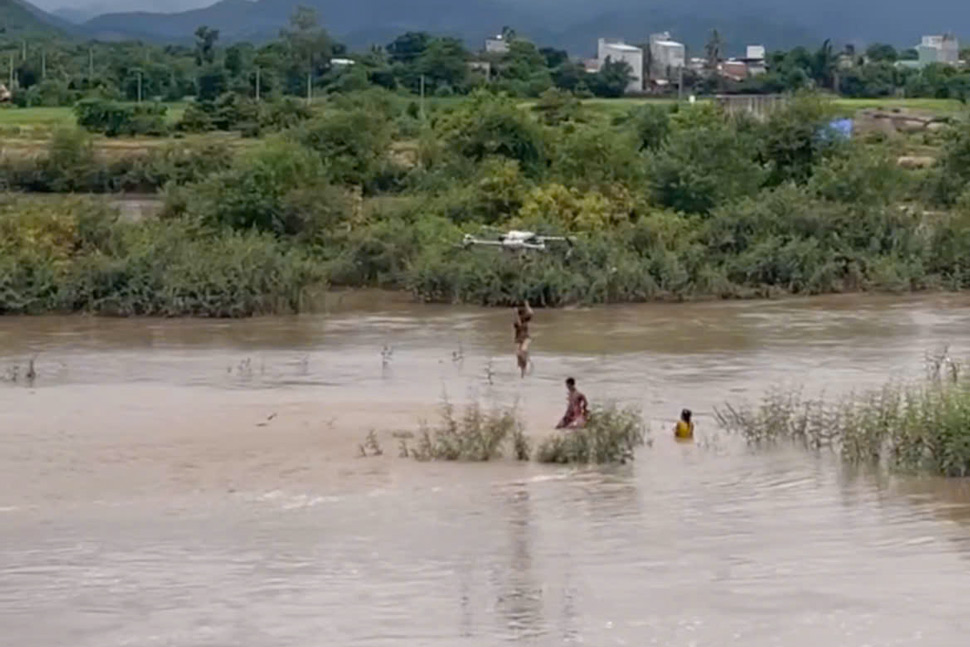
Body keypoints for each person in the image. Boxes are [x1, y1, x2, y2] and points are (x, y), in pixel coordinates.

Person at [513, 300, 533, 378]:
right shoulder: (518, 320)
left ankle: (527, 360)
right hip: (518, 339)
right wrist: (516, 314)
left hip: (526, 338)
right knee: (519, 355)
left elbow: (531, 313)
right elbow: (518, 324)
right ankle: (522, 373)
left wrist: (527, 305)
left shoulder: (525, 318)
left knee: (523, 351)